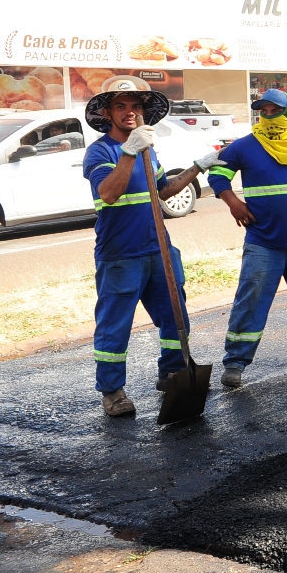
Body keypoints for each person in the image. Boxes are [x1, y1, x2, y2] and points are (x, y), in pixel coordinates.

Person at [84, 76, 221, 417]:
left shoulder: (149, 149)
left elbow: (163, 191)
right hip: (121, 255)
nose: (129, 112)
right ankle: (113, 392)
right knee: (115, 325)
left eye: (135, 106)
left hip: (159, 250)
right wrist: (129, 151)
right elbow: (108, 193)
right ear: (107, 112)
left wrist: (198, 167)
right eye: (121, 106)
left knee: (176, 319)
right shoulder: (100, 152)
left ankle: (174, 374)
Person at [206, 89, 287, 389]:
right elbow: (218, 175)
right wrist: (233, 202)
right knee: (250, 302)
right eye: (264, 111)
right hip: (263, 242)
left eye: (275, 110)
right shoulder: (244, 146)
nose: (269, 116)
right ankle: (235, 363)